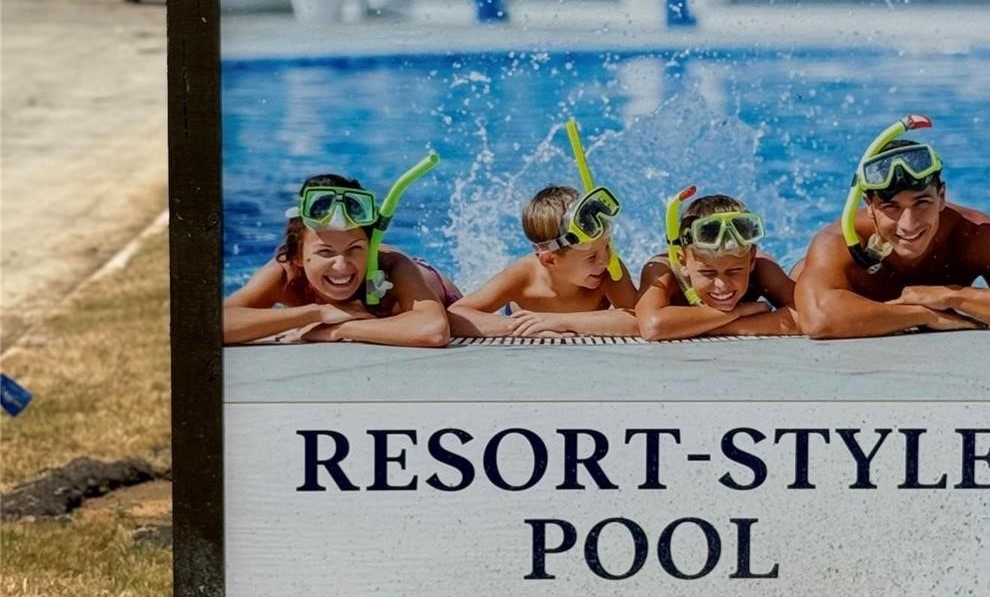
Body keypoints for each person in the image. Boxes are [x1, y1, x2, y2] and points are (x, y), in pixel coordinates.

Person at [795, 117, 990, 339]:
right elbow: (819, 320)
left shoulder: (974, 233)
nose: (909, 224)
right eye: (891, 207)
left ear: (942, 196)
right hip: (796, 269)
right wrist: (922, 314)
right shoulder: (839, 240)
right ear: (869, 206)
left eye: (922, 203)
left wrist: (953, 296)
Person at [224, 172, 455, 347]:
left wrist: (340, 329)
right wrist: (317, 313)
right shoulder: (286, 273)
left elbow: (433, 330)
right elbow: (218, 323)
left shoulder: (392, 266)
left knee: (458, 320)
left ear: (371, 248)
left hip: (441, 294)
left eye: (355, 248)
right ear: (298, 257)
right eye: (325, 252)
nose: (341, 266)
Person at [448, 183, 639, 336]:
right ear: (550, 261)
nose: (605, 260)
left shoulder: (608, 270)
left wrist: (559, 322)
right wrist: (523, 328)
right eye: (591, 257)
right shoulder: (523, 276)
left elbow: (639, 319)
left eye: (607, 246)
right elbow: (455, 315)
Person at [635, 190, 798, 339]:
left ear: (751, 259)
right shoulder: (662, 271)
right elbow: (652, 326)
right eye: (708, 273)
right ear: (683, 262)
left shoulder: (763, 267)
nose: (722, 285)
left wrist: (697, 327)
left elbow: (806, 316)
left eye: (734, 271)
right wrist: (739, 311)